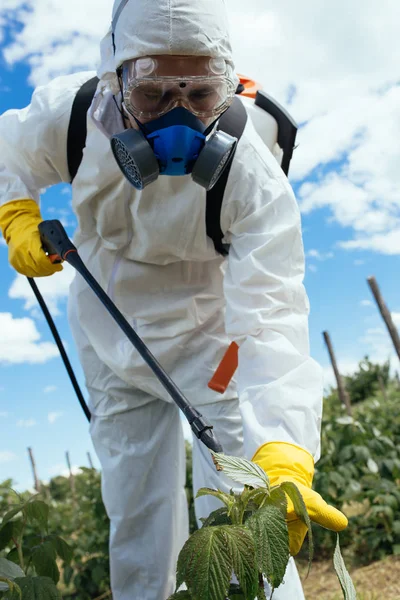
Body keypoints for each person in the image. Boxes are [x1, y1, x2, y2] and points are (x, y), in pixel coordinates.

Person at [0, 0, 348, 598]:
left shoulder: (252, 174)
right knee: (136, 515)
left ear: (229, 84)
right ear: (114, 79)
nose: (179, 119)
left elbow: (272, 314)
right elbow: (9, 149)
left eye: (202, 95)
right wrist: (16, 210)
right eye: (155, 94)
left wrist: (286, 445)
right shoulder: (76, 113)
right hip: (107, 330)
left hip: (211, 345)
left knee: (244, 505)